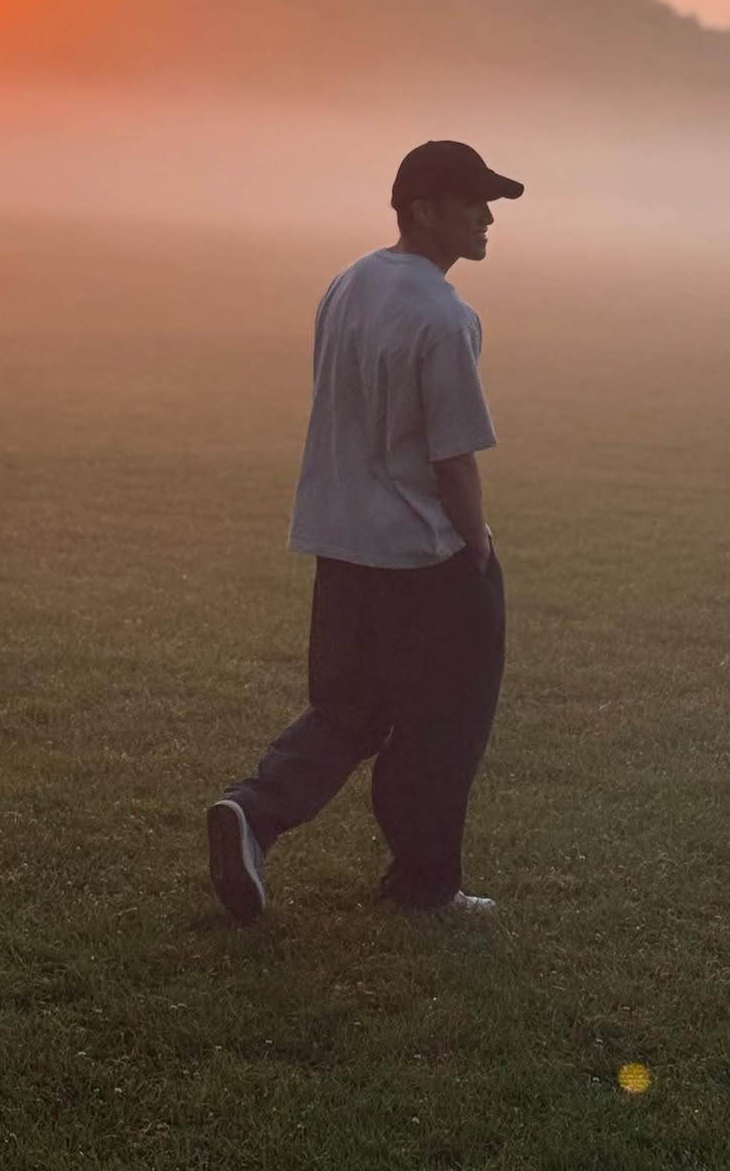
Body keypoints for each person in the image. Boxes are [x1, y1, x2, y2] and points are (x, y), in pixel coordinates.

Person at [206, 141, 525, 924]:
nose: (487, 218)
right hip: (423, 555)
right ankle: (425, 886)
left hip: (341, 545)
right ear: (423, 208)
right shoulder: (446, 317)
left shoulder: (348, 285)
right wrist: (477, 549)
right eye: (471, 202)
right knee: (445, 724)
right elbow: (453, 461)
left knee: (347, 710)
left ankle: (255, 811)